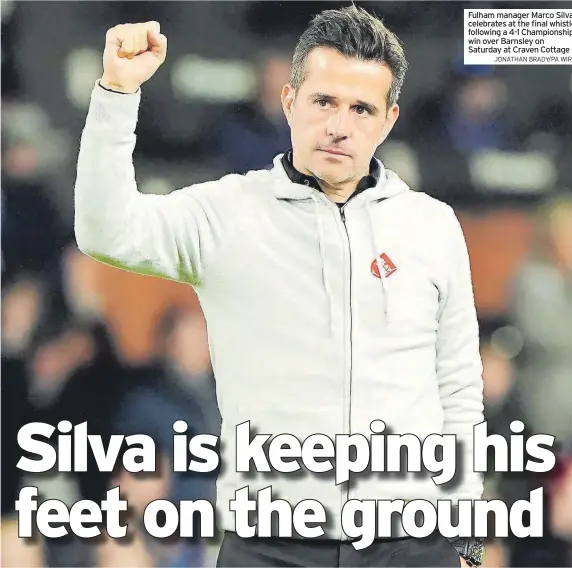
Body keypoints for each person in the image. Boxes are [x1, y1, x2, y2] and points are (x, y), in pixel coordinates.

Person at [74, 7, 484, 567]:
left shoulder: (432, 226)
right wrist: (116, 96)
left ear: (388, 120)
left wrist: (465, 535)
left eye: (361, 108)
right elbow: (105, 232)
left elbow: (458, 390)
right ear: (289, 101)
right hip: (268, 547)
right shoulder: (226, 213)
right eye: (324, 102)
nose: (340, 125)